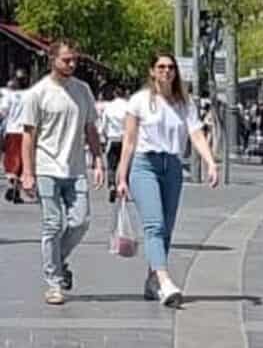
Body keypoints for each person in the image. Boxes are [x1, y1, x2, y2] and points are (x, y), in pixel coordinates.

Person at [116, 52, 219, 308]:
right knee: (154, 225)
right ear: (152, 71)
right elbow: (129, 141)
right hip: (144, 165)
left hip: (172, 166)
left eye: (171, 67)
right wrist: (121, 175)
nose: (166, 71)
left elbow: (195, 134)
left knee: (167, 228)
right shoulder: (140, 100)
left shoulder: (184, 103)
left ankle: (152, 280)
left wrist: (210, 162)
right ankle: (164, 281)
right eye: (161, 67)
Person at [20, 41, 105, 305]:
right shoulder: (37, 93)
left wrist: (99, 161)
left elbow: (91, 128)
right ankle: (54, 282)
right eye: (66, 60)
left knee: (81, 222)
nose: (71, 64)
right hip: (46, 168)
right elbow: (28, 136)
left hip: (76, 168)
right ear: (52, 60)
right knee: (52, 225)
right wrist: (28, 172)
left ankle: (58, 260)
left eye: (74, 60)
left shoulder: (83, 90)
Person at [2, 70, 29, 204]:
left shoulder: (10, 96)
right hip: (26, 132)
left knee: (11, 160)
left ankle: (12, 186)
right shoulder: (31, 95)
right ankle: (16, 189)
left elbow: (3, 112)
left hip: (12, 130)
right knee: (23, 160)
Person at [100, 86, 129, 203]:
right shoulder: (128, 107)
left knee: (111, 165)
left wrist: (103, 137)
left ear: (115, 94)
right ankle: (123, 186)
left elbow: (104, 125)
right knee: (124, 164)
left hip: (112, 139)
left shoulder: (109, 107)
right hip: (125, 140)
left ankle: (112, 184)